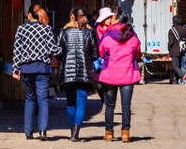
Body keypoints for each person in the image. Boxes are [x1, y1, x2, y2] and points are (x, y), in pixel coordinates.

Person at [11, 4, 60, 140]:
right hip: (42, 69)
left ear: (29, 15)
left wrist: (16, 70)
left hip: (27, 69)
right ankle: (43, 131)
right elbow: (53, 49)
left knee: (29, 99)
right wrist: (62, 50)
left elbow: (17, 51)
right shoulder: (46, 29)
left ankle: (28, 132)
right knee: (42, 99)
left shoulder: (21, 29)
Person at [99, 13, 142, 142]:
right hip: (128, 74)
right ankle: (125, 133)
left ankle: (109, 133)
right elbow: (137, 54)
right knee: (126, 105)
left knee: (110, 105)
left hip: (110, 75)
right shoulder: (133, 37)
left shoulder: (107, 36)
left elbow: (101, 53)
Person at [58, 7, 97, 141]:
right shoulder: (90, 32)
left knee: (71, 104)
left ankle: (72, 131)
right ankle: (76, 132)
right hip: (84, 73)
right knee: (81, 103)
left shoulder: (64, 32)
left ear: (72, 17)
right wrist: (87, 59)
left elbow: (58, 52)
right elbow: (95, 54)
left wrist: (64, 59)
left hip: (67, 73)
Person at [168, 16, 186, 84]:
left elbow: (171, 42)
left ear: (174, 21)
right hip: (182, 50)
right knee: (179, 66)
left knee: (175, 66)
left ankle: (183, 76)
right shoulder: (184, 30)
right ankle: (175, 81)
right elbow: (185, 39)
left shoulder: (171, 30)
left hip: (174, 50)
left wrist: (169, 49)